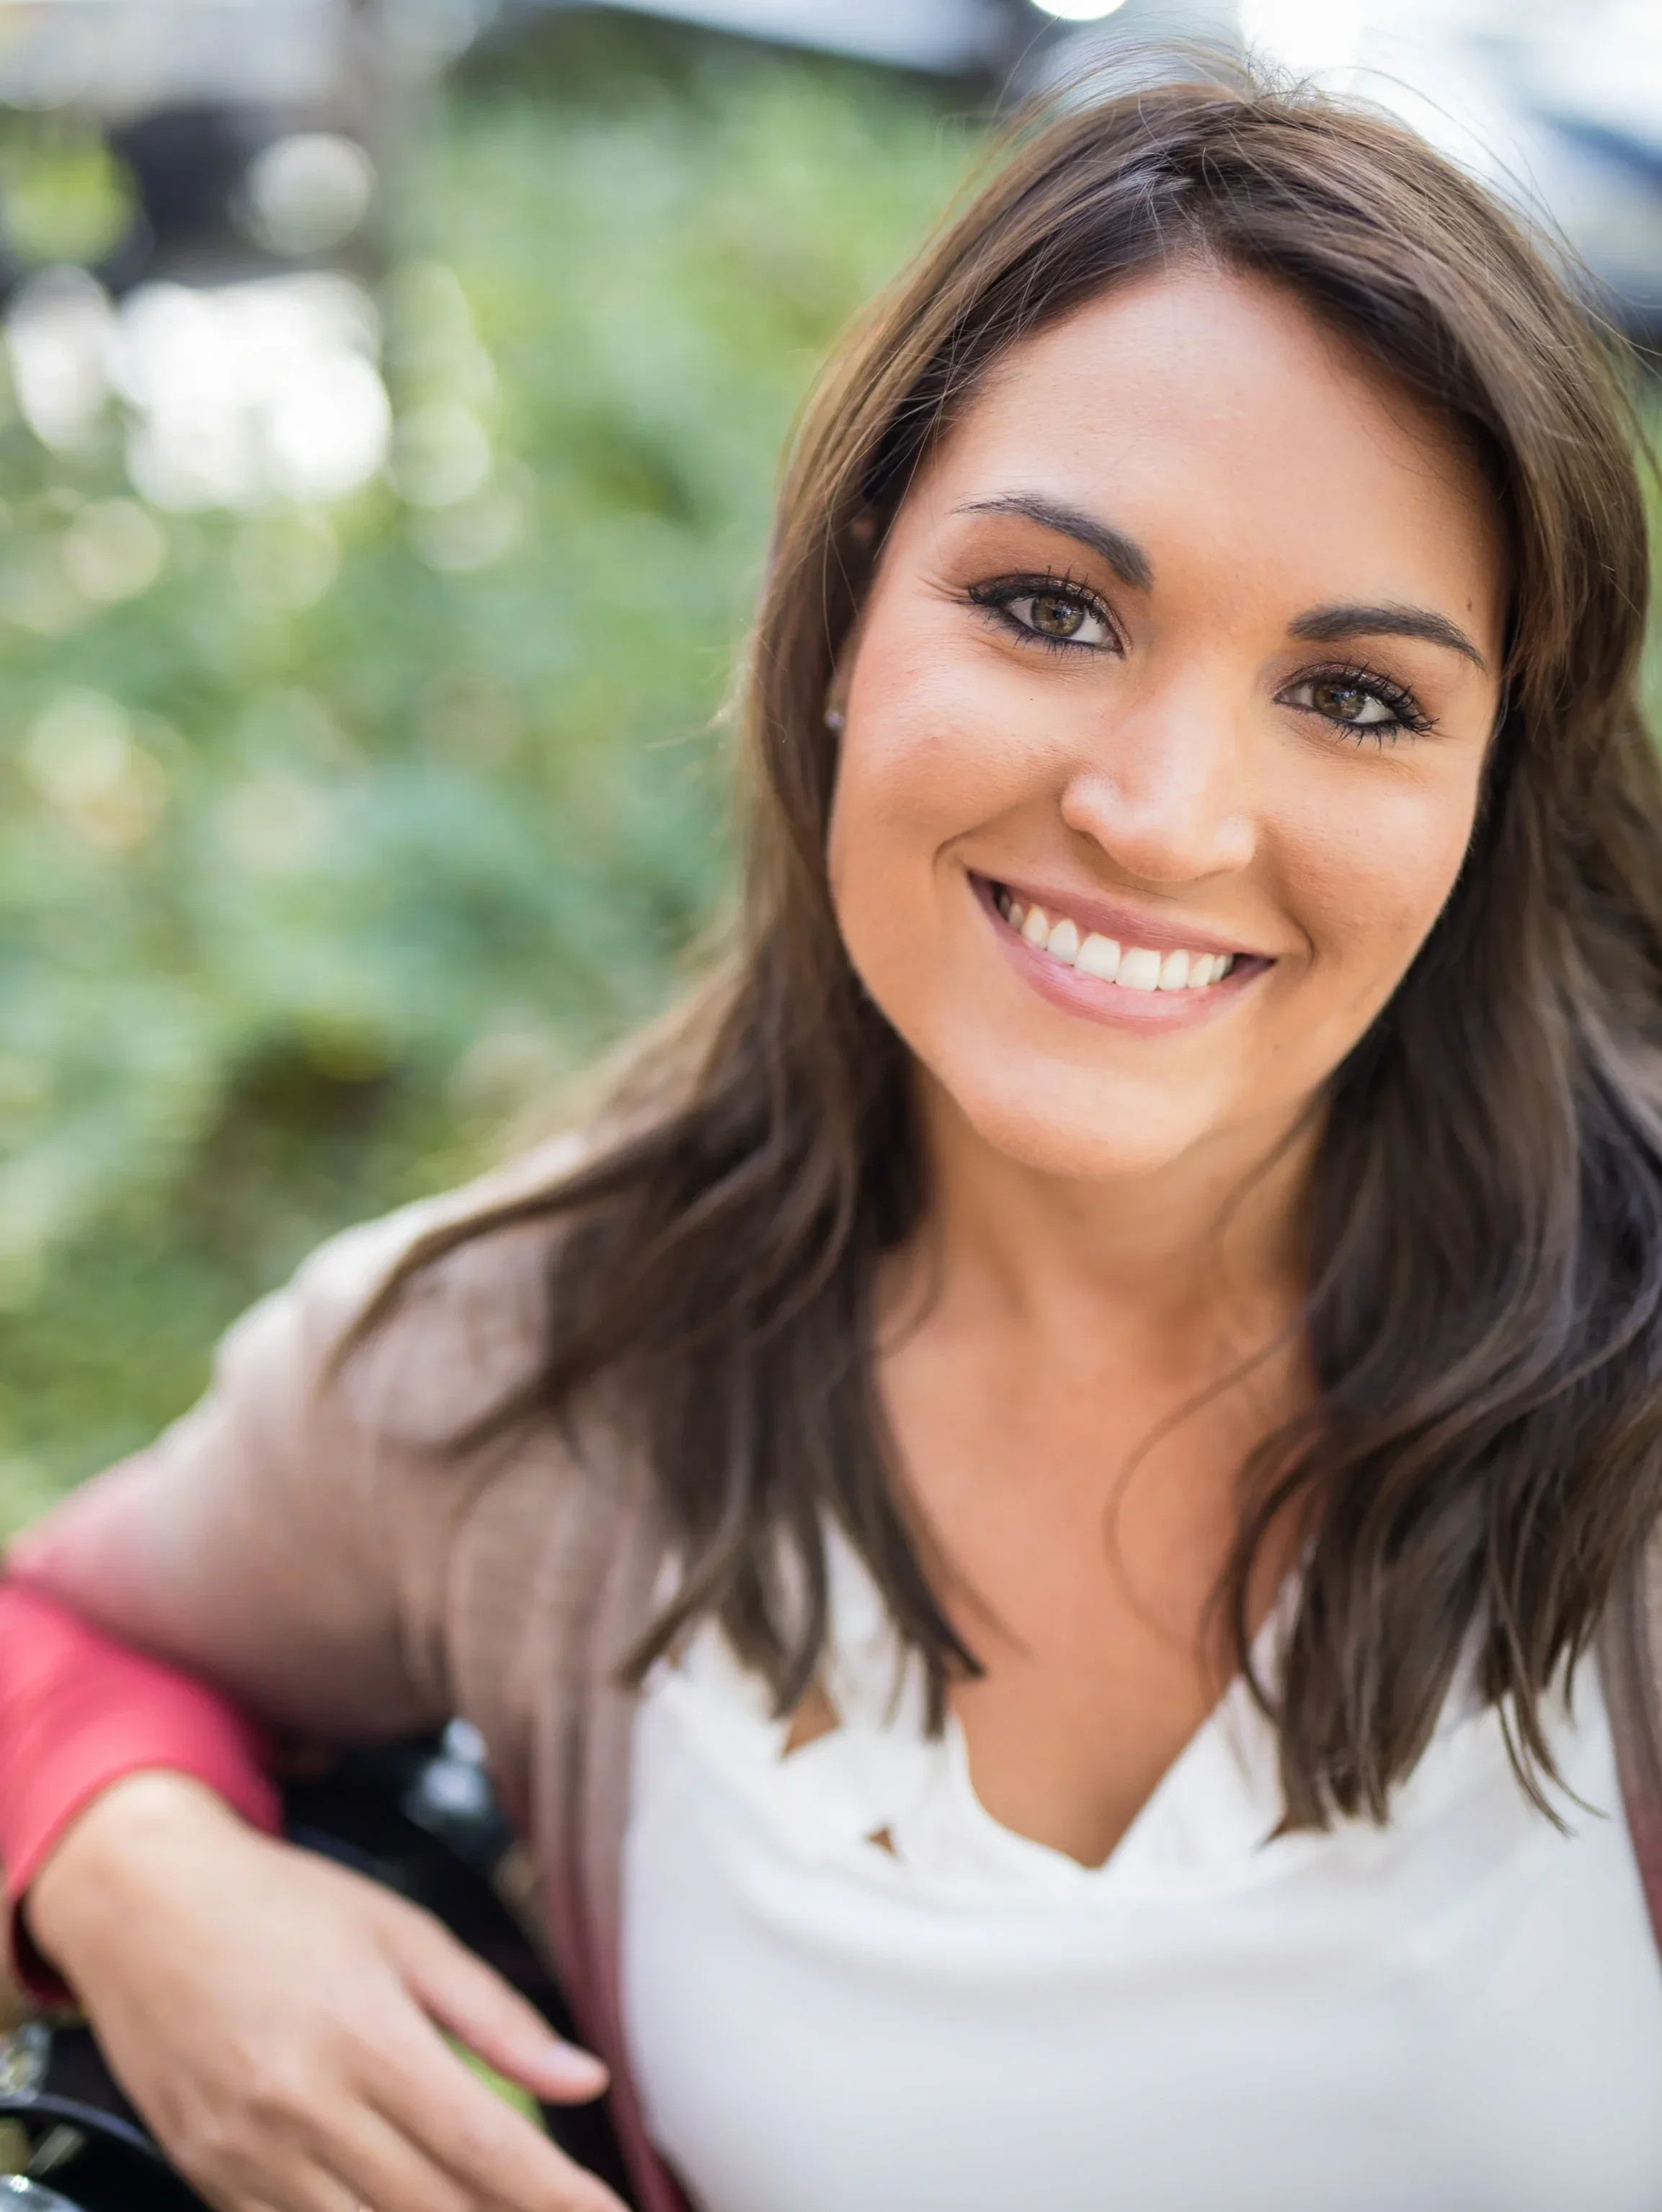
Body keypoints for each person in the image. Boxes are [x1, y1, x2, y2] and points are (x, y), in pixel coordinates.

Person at [5, 60, 1662, 2212]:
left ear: (1488, 798)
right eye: (1052, 606)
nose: (1161, 815)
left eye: (1358, 696)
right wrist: (142, 1872)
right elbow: (55, 1630)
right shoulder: (541, 1364)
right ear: (842, 626)